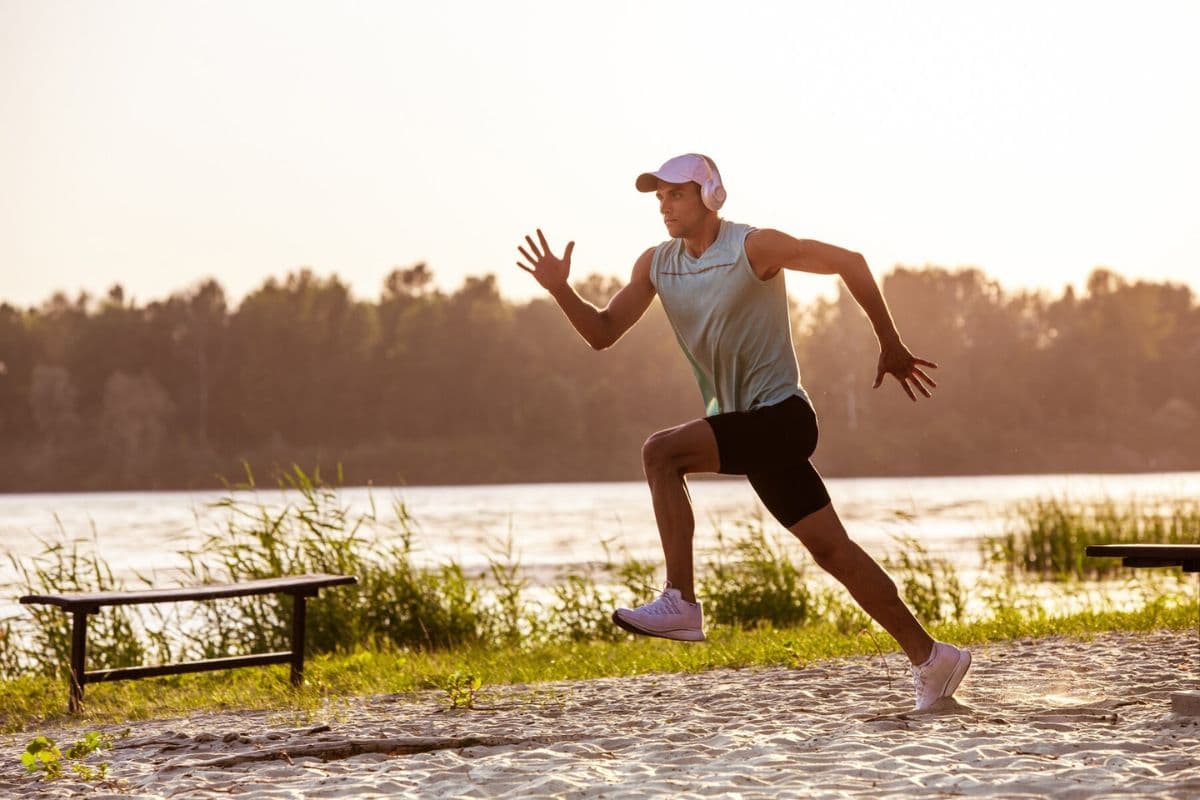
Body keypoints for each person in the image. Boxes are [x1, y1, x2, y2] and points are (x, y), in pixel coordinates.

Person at [515, 153, 971, 710]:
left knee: (660, 454)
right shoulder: (658, 264)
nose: (664, 206)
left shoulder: (754, 248)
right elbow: (603, 332)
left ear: (710, 195)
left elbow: (851, 261)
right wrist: (561, 290)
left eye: (676, 194)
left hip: (782, 418)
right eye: (658, 197)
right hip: (750, 429)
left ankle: (680, 599)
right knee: (833, 551)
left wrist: (889, 341)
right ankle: (932, 657)